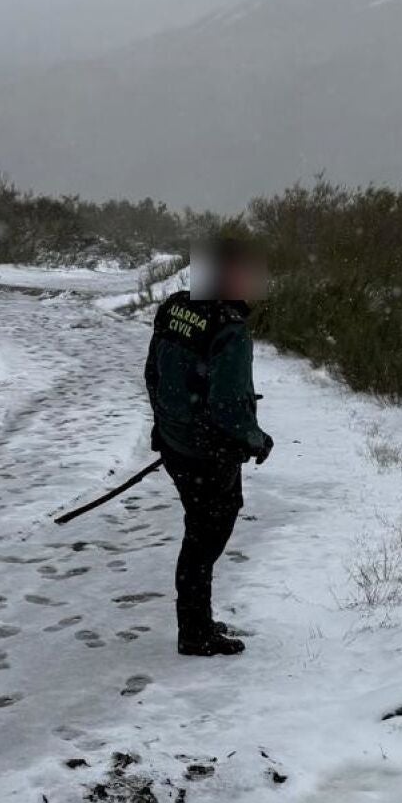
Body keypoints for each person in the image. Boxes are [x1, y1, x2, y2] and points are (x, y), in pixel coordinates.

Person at [143, 235, 274, 657]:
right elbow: (229, 406)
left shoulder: (175, 308)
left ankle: (197, 620)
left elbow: (153, 374)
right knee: (205, 538)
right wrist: (256, 440)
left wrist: (169, 425)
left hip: (176, 445)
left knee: (199, 531)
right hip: (207, 455)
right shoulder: (229, 330)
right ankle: (195, 631)